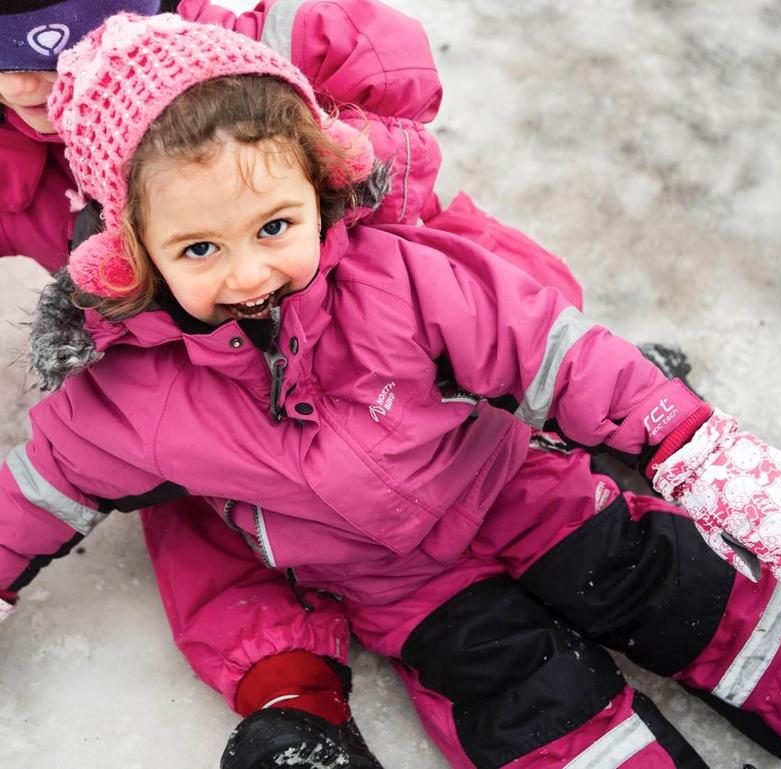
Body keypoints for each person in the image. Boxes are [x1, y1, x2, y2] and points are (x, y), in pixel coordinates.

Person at [1, 11, 781, 769]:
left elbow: (550, 352)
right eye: (199, 249)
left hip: (522, 492)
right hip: (404, 590)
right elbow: (40, 489)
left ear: (319, 187)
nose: (249, 271)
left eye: (273, 227)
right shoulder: (133, 394)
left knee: (676, 584)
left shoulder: (394, 276)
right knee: (527, 695)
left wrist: (679, 434)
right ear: (131, 253)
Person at [0, 2, 603, 767]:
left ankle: (576, 435)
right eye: (4, 53)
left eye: (55, 47)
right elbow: (53, 480)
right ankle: (292, 691)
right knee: (193, 492)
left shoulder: (252, 40)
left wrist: (318, 171)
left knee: (498, 356)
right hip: (187, 357)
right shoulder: (14, 149)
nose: (29, 79)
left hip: (365, 288)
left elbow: (394, 74)